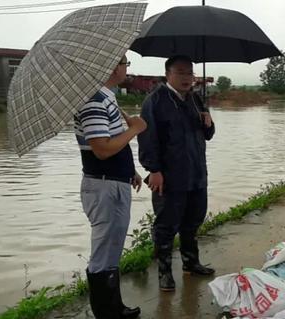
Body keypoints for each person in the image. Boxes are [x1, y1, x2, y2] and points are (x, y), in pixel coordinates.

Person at [74, 56, 145, 318]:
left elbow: (113, 141)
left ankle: (114, 308)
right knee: (104, 251)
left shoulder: (107, 97)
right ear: (112, 65)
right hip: (104, 187)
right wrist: (135, 129)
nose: (127, 68)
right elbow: (102, 149)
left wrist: (131, 170)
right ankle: (107, 312)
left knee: (112, 247)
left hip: (114, 182)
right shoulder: (93, 101)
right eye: (125, 62)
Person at [138, 55, 216, 292]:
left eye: (190, 73)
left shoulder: (195, 99)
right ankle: (164, 272)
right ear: (168, 74)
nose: (186, 78)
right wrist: (154, 170)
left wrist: (209, 122)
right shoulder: (155, 101)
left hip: (196, 173)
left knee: (193, 220)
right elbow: (147, 138)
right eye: (180, 72)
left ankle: (191, 263)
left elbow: (208, 135)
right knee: (166, 225)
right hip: (169, 177)